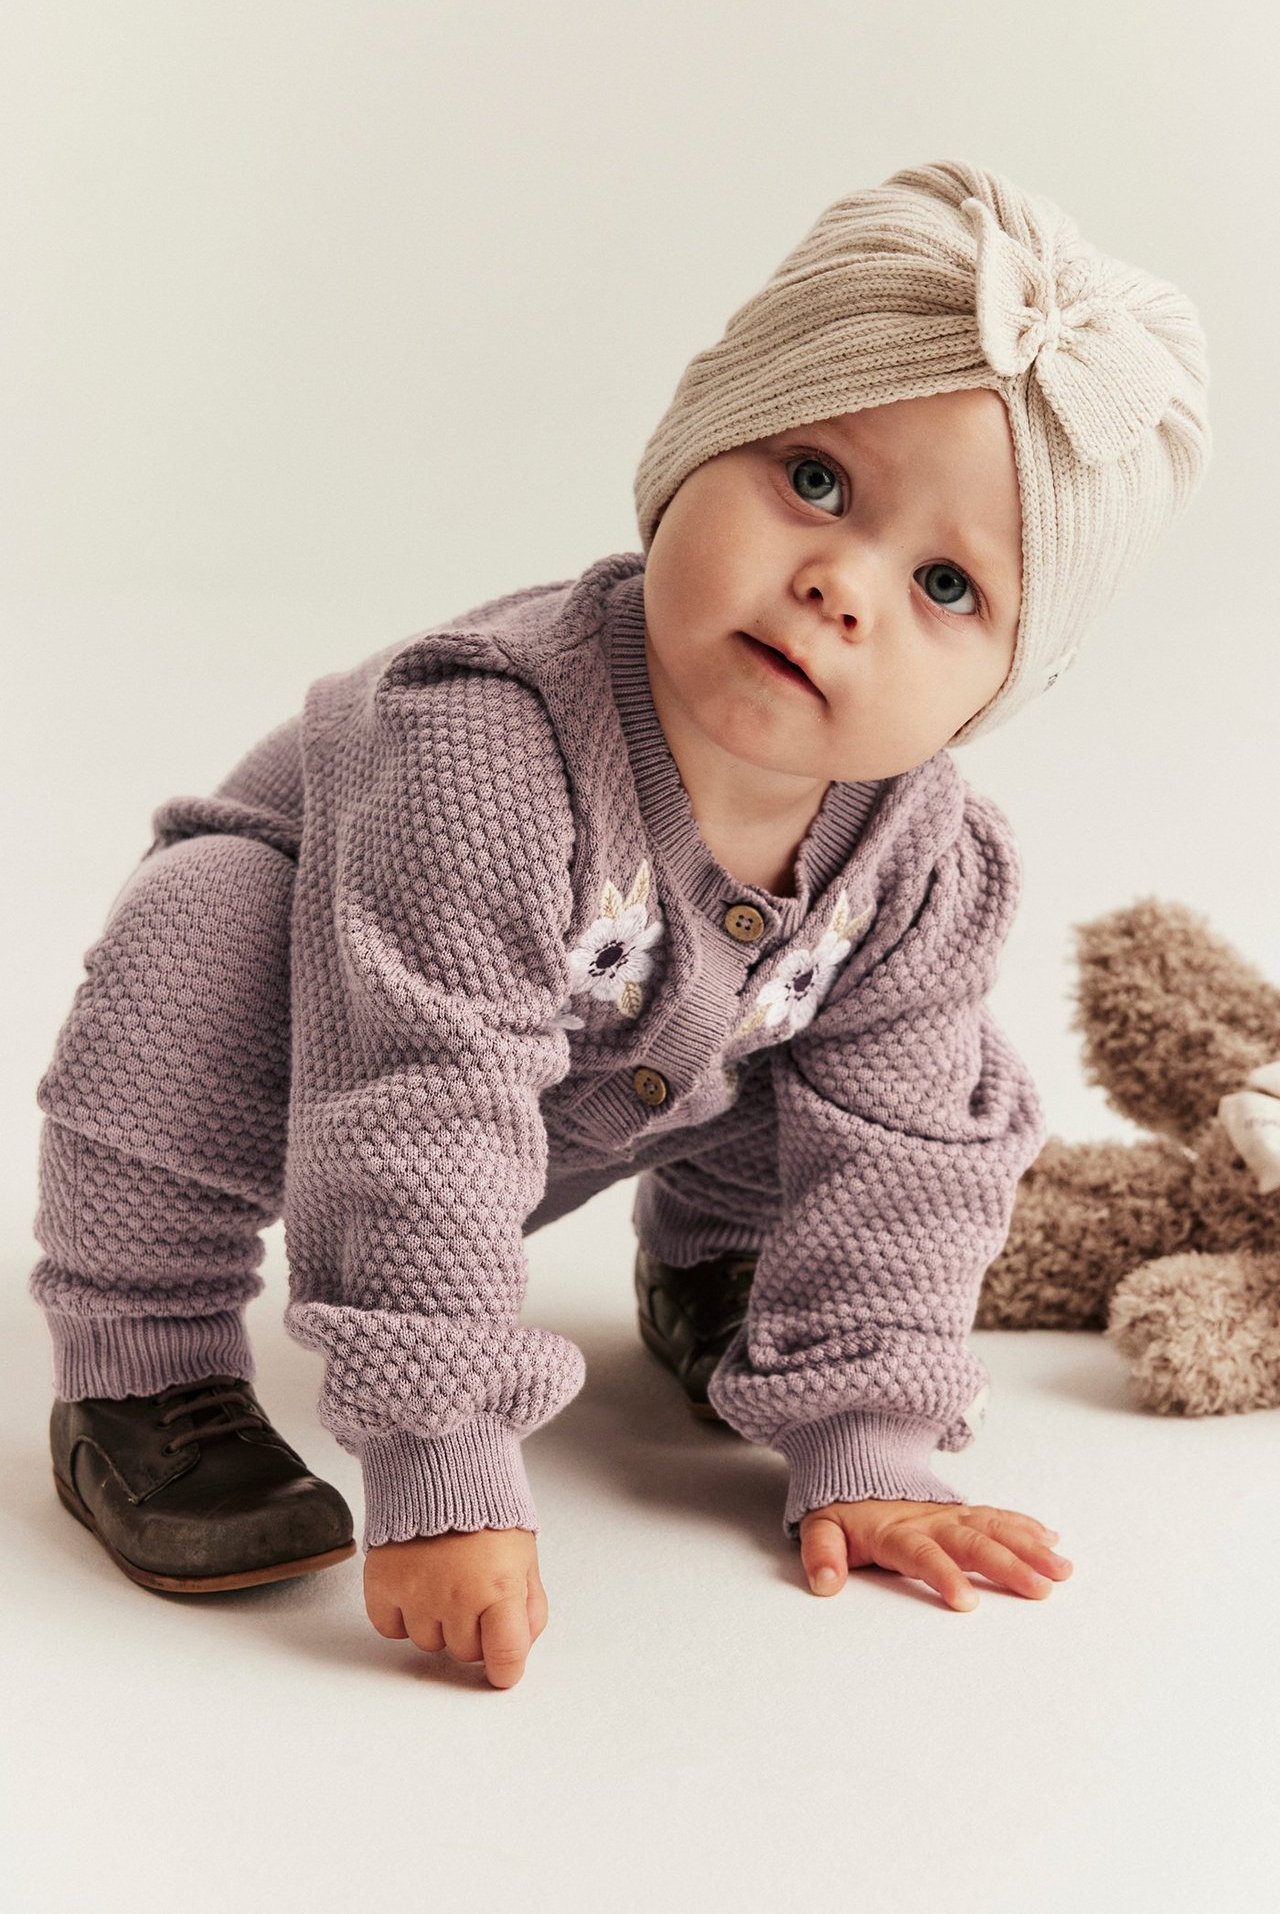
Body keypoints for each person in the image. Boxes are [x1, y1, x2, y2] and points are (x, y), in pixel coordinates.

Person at [30, 158, 1211, 1687]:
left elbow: (906, 1154)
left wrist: (870, 1433)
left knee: (846, 1052)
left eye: (944, 584)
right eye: (816, 480)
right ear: (693, 445)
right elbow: (417, 1112)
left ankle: (715, 1274)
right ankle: (144, 1373)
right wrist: (440, 1464)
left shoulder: (927, 857)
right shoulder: (487, 748)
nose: (840, 586)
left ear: (1001, 688)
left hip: (614, 1091)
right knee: (198, 934)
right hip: (329, 1047)